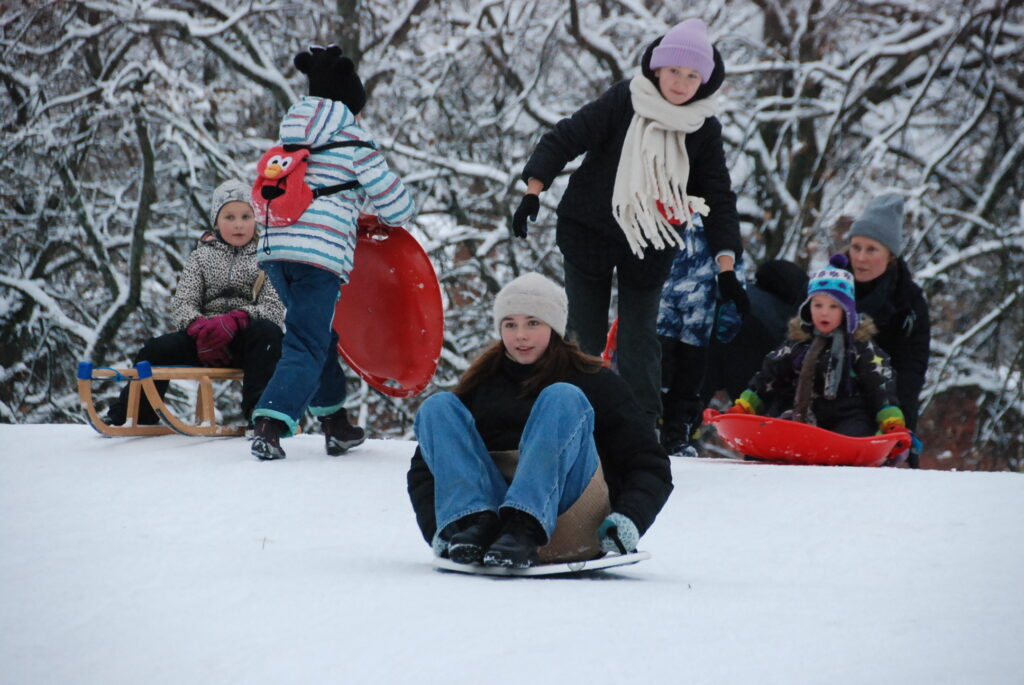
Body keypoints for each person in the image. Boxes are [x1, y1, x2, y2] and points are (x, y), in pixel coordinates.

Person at [510, 18, 746, 429]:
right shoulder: (624, 101)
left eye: (692, 76)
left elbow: (719, 197)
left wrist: (726, 267)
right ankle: (568, 419)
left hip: (651, 244)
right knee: (585, 334)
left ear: (704, 82)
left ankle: (641, 429)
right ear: (657, 68)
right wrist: (534, 189)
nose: (681, 83)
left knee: (639, 340)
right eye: (674, 71)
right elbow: (564, 138)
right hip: (589, 231)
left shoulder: (702, 129)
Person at [406, 272, 673, 569]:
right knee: (438, 407)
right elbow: (427, 468)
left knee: (561, 398)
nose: (521, 335)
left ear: (554, 327)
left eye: (533, 323)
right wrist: (438, 530)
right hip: (491, 534)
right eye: (510, 324)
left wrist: (629, 518)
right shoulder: (481, 385)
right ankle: (475, 522)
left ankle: (525, 525)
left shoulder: (596, 382)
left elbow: (649, 463)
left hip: (571, 523)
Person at [250, 45, 415, 461]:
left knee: (317, 334)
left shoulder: (291, 135)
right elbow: (397, 206)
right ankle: (270, 424)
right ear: (350, 106)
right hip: (318, 257)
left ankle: (335, 423)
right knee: (306, 341)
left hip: (275, 249)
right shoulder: (354, 142)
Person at [105, 180, 284, 426]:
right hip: (204, 340)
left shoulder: (267, 258)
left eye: (246, 216)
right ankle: (135, 411)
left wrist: (235, 320)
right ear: (217, 222)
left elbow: (273, 308)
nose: (239, 224)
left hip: (247, 343)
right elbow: (184, 302)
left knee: (269, 334)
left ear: (256, 220)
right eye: (229, 217)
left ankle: (261, 415)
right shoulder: (201, 257)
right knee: (155, 349)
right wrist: (201, 331)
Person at [730, 256, 907, 440]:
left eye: (833, 307)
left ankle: (855, 447)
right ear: (808, 308)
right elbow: (769, 375)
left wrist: (890, 418)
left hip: (848, 414)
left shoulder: (859, 346)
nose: (824, 312)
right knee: (781, 422)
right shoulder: (797, 343)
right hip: (802, 412)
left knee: (855, 432)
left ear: (846, 311)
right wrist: (746, 404)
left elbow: (879, 382)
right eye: (818, 305)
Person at [843, 193, 930, 467]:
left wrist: (897, 428)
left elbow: (911, 370)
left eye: (872, 250)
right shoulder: (831, 286)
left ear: (890, 255)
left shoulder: (909, 303)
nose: (860, 258)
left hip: (886, 405)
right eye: (856, 247)